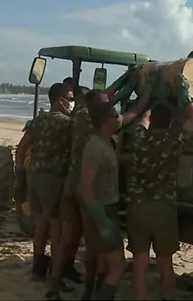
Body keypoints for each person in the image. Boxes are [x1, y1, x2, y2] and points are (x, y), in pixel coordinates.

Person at [125, 92, 193, 299]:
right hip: (163, 209)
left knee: (140, 263)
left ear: (153, 120)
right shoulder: (173, 141)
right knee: (165, 262)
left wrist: (150, 104)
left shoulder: (140, 138)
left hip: (138, 207)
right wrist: (185, 96)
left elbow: (143, 120)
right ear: (171, 122)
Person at [14, 83, 74, 300]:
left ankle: (38, 270)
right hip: (55, 181)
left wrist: (20, 177)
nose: (72, 102)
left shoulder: (38, 121)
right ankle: (55, 280)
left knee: (40, 226)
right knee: (58, 233)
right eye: (70, 98)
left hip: (35, 178)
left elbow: (21, 148)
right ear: (60, 100)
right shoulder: (68, 124)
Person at [55, 87, 107, 299]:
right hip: (89, 187)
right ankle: (88, 290)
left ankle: (53, 283)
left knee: (66, 237)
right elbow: (124, 119)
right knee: (92, 242)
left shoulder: (77, 117)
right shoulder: (97, 119)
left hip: (71, 182)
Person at [78, 102, 126, 301]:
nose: (119, 118)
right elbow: (85, 188)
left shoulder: (104, 143)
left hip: (104, 210)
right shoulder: (96, 148)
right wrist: (103, 222)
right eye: (116, 116)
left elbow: (112, 161)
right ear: (107, 122)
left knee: (105, 263)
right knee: (118, 267)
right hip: (103, 211)